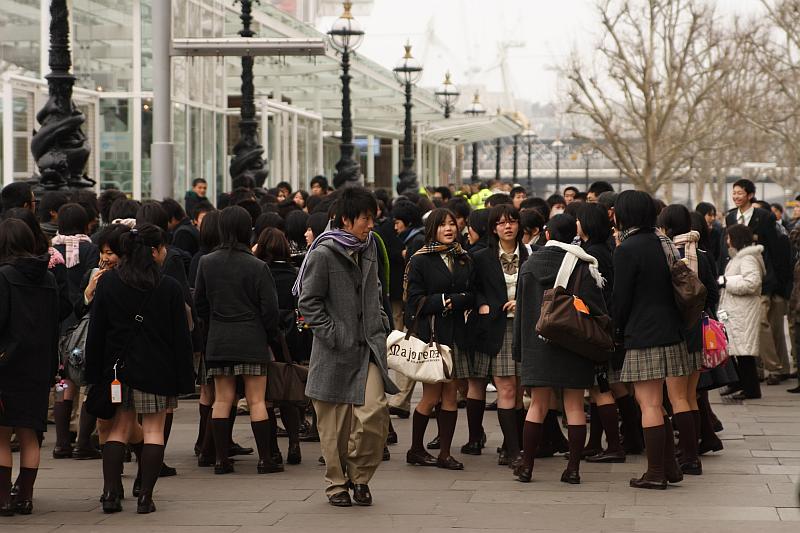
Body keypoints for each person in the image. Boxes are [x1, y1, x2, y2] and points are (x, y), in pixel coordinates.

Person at [296, 186, 398, 507]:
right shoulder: (324, 253)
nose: (371, 225)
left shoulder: (369, 247)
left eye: (373, 218)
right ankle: (337, 483)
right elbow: (308, 302)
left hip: (368, 346)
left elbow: (378, 292)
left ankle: (360, 475)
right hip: (334, 350)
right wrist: (334, 334)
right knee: (333, 426)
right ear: (345, 219)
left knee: (374, 413)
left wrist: (379, 325)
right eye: (366, 219)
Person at [85, 224, 194, 514]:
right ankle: (145, 496)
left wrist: (94, 372)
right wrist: (185, 378)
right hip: (158, 370)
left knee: (118, 429)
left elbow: (97, 331)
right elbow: (180, 338)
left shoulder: (109, 283)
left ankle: (110, 494)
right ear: (155, 252)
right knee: (154, 430)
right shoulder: (168, 286)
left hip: (118, 370)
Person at [512, 214, 607, 484]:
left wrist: (519, 349)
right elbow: (597, 310)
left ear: (547, 235)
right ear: (574, 236)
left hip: (537, 343)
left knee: (538, 406)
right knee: (574, 406)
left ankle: (527, 465)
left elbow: (520, 312)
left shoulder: (530, 265)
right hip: (574, 344)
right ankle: (573, 469)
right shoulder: (584, 265)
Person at [194, 206, 283, 475]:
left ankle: (221, 459)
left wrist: (214, 324)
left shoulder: (206, 262)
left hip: (219, 339)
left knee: (222, 399)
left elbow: (199, 304)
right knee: (257, 401)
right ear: (248, 229)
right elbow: (270, 309)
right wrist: (268, 336)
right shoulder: (257, 266)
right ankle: (265, 459)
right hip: (252, 339)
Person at [612, 191, 690, 490]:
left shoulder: (627, 248)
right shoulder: (664, 242)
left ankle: (655, 472)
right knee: (662, 404)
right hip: (672, 328)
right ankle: (670, 466)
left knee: (649, 403)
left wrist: (615, 331)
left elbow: (621, 298)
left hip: (644, 332)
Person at [403, 208, 474, 471]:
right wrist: (446, 300)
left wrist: (461, 300)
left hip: (456, 332)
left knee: (451, 395)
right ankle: (416, 449)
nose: (449, 229)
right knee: (431, 395)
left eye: (452, 224)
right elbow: (414, 301)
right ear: (432, 229)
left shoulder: (463, 257)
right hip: (431, 334)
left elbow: (471, 292)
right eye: (443, 225)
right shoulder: (420, 260)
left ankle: (445, 452)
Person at [0, 219, 60, 516]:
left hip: (7, 366)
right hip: (38, 365)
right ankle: (25, 497)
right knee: (29, 434)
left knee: (1, 433)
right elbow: (54, 325)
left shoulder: (4, 276)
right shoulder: (47, 278)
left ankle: (2, 499)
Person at [657, 204, 719, 475]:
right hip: (698, 328)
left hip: (675, 329)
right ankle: (692, 451)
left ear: (667, 227)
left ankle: (688, 454)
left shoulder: (668, 253)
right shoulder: (702, 254)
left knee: (677, 397)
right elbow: (713, 293)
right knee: (691, 395)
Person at [465, 205, 527, 465]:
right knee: (506, 387)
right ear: (493, 228)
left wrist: (522, 302)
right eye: (501, 223)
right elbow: (471, 288)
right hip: (496, 327)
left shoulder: (532, 254)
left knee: (521, 388)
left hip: (525, 327)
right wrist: (482, 303)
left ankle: (512, 444)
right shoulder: (481, 257)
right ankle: (513, 451)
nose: (507, 227)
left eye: (512, 222)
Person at [723, 179, 792, 385]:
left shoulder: (764, 217)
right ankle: (755, 371)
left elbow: (776, 250)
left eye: (739, 193)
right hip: (737, 278)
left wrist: (778, 282)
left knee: (762, 324)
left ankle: (774, 368)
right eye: (733, 193)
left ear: (750, 195)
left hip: (762, 279)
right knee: (743, 327)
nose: (736, 196)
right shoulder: (730, 216)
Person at [575, 203, 626, 464]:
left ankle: (614, 446)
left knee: (600, 386)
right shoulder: (602, 249)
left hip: (596, 326)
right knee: (599, 385)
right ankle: (596, 442)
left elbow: (598, 294)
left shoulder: (593, 253)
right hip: (604, 325)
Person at [50, 203, 100, 459]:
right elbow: (91, 281)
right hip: (83, 323)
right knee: (89, 380)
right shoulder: (91, 248)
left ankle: (60, 444)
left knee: (63, 380)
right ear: (85, 223)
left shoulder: (51, 248)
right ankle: (83, 443)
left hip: (59, 323)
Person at [253, 228, 304, 464]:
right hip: (292, 338)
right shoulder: (296, 274)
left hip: (267, 340)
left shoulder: (260, 272)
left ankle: (273, 448)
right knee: (288, 393)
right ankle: (295, 443)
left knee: (267, 398)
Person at [718, 224, 765, 400]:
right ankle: (743, 385)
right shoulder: (740, 256)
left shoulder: (747, 258)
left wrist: (726, 283)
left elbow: (752, 283)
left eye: (729, 237)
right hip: (738, 310)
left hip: (744, 310)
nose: (727, 240)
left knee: (744, 353)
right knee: (739, 351)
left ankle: (751, 390)